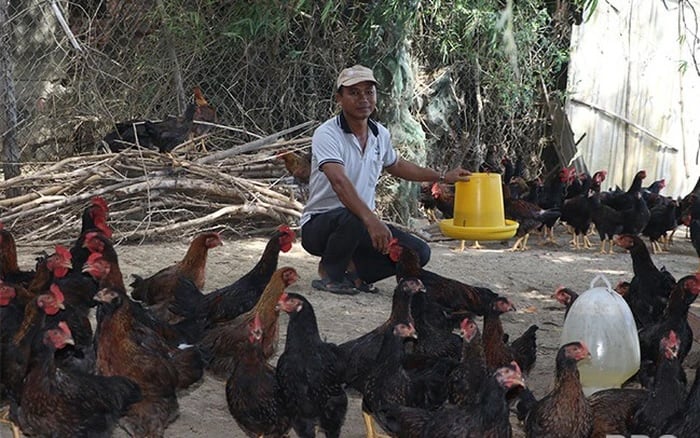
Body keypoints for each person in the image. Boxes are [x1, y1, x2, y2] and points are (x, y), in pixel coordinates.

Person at [300, 64, 471, 295]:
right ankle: (331, 275)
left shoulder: (380, 133)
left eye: (369, 92)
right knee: (353, 217)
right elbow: (339, 183)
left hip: (360, 224)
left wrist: (442, 176)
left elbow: (398, 165)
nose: (363, 99)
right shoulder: (327, 133)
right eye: (354, 92)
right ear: (339, 98)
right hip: (320, 226)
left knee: (418, 252)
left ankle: (354, 274)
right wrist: (371, 219)